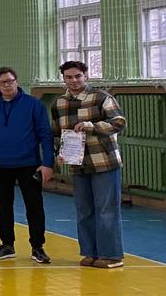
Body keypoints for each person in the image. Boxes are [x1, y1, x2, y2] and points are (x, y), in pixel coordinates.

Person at [54, 60, 127, 268]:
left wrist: (91, 126)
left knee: (106, 210)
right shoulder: (59, 103)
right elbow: (57, 132)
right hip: (78, 165)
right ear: (63, 79)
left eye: (78, 76)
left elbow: (118, 122)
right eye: (69, 77)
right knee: (84, 210)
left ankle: (111, 255)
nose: (74, 80)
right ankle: (90, 252)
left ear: (86, 76)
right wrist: (60, 153)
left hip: (104, 162)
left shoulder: (102, 97)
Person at [0, 66, 55, 263]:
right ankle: (7, 245)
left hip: (29, 164)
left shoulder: (33, 105)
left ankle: (37, 247)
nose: (7, 85)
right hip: (0, 165)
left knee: (34, 206)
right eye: (2, 82)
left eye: (10, 81)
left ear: (17, 81)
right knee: (3, 207)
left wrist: (48, 163)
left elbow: (45, 135)